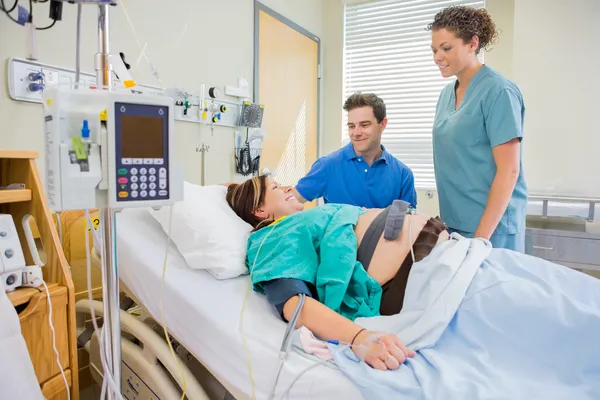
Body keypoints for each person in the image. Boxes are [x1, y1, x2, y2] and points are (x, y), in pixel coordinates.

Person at [227, 174, 449, 371]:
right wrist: (361, 338)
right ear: (259, 211)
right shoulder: (270, 238)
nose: (288, 188)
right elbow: (295, 306)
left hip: (433, 253)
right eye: (276, 187)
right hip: (408, 274)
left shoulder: (301, 221)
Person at [428, 6, 528, 251]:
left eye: (446, 48)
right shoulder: (445, 95)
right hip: (455, 223)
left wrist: (481, 238)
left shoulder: (498, 92)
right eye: (434, 50)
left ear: (472, 43)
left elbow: (509, 170)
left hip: (491, 228)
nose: (437, 57)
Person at [284, 92, 417, 209]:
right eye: (351, 126)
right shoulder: (327, 166)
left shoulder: (403, 175)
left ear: (382, 124)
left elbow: (406, 223)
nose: (356, 133)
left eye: (364, 125)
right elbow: (289, 202)